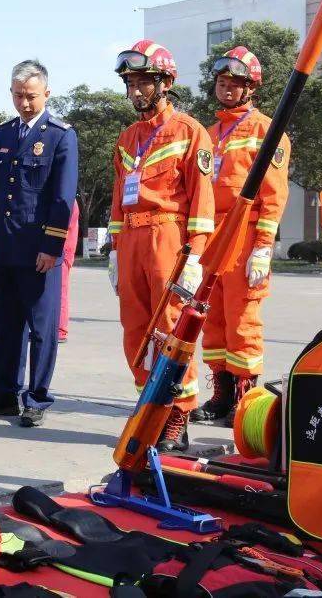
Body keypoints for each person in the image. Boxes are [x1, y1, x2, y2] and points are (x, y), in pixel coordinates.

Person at [108, 40, 215, 452]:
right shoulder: (127, 138)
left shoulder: (190, 132)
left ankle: (177, 414)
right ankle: (148, 405)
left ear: (165, 83)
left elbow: (202, 201)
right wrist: (116, 249)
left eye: (143, 83)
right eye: (131, 83)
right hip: (132, 239)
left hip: (168, 238)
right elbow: (119, 196)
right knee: (136, 329)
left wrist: (195, 254)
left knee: (171, 328)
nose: (136, 91)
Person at [0, 60, 79, 428]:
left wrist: (52, 247)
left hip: (40, 250)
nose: (24, 103)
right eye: (18, 95)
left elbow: (62, 196)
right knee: (6, 323)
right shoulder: (4, 133)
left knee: (41, 327)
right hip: (7, 246)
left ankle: (36, 398)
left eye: (31, 96)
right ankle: (4, 393)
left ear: (46, 93)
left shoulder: (61, 135)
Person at [192, 46, 290, 425]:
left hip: (244, 235)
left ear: (251, 88)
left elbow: (274, 194)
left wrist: (263, 248)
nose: (227, 89)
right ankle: (221, 394)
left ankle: (246, 400)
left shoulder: (267, 129)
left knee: (243, 320)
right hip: (211, 237)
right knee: (212, 319)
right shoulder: (210, 132)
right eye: (221, 82)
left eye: (235, 84)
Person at [57, 198, 80, 343]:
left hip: (63, 250)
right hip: (64, 250)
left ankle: (60, 330)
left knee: (60, 292)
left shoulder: (67, 199)